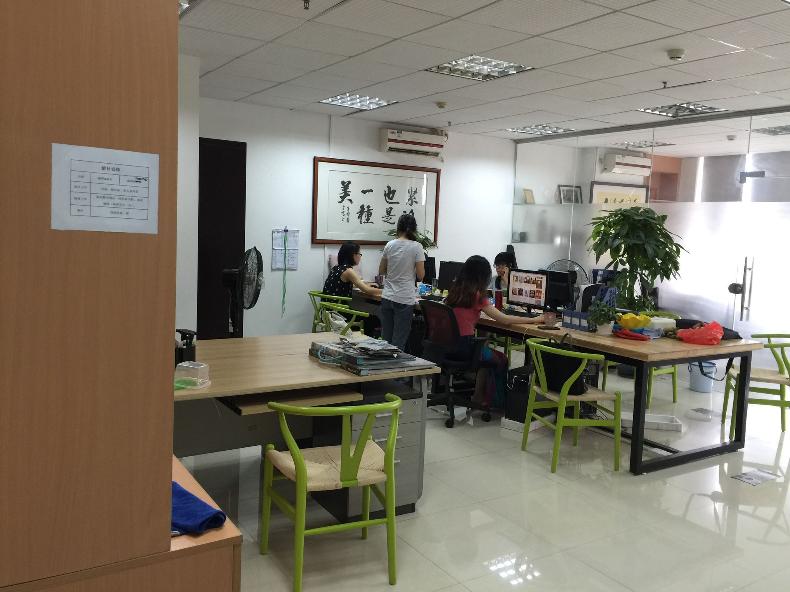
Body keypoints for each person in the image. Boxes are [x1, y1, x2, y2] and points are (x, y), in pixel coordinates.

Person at [446, 255, 543, 408]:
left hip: (448, 345)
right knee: (501, 359)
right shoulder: (477, 295)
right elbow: (505, 320)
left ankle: (478, 396)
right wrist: (535, 319)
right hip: (465, 348)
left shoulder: (455, 290)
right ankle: (496, 402)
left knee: (485, 353)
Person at [378, 213, 425, 350]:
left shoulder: (389, 245)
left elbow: (381, 270)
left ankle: (383, 363)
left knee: (386, 339)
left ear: (398, 227)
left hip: (387, 296)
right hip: (404, 298)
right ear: (414, 228)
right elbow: (421, 276)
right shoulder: (417, 247)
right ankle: (395, 363)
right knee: (398, 342)